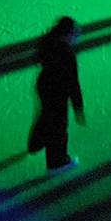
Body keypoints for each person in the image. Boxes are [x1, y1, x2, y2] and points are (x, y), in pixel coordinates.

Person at [27, 16, 85, 172]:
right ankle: (57, 162)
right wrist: (78, 107)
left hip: (44, 85)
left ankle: (36, 143)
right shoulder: (67, 53)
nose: (76, 37)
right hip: (57, 90)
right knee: (58, 126)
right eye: (74, 34)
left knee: (46, 115)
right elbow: (73, 83)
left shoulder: (47, 42)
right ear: (67, 34)